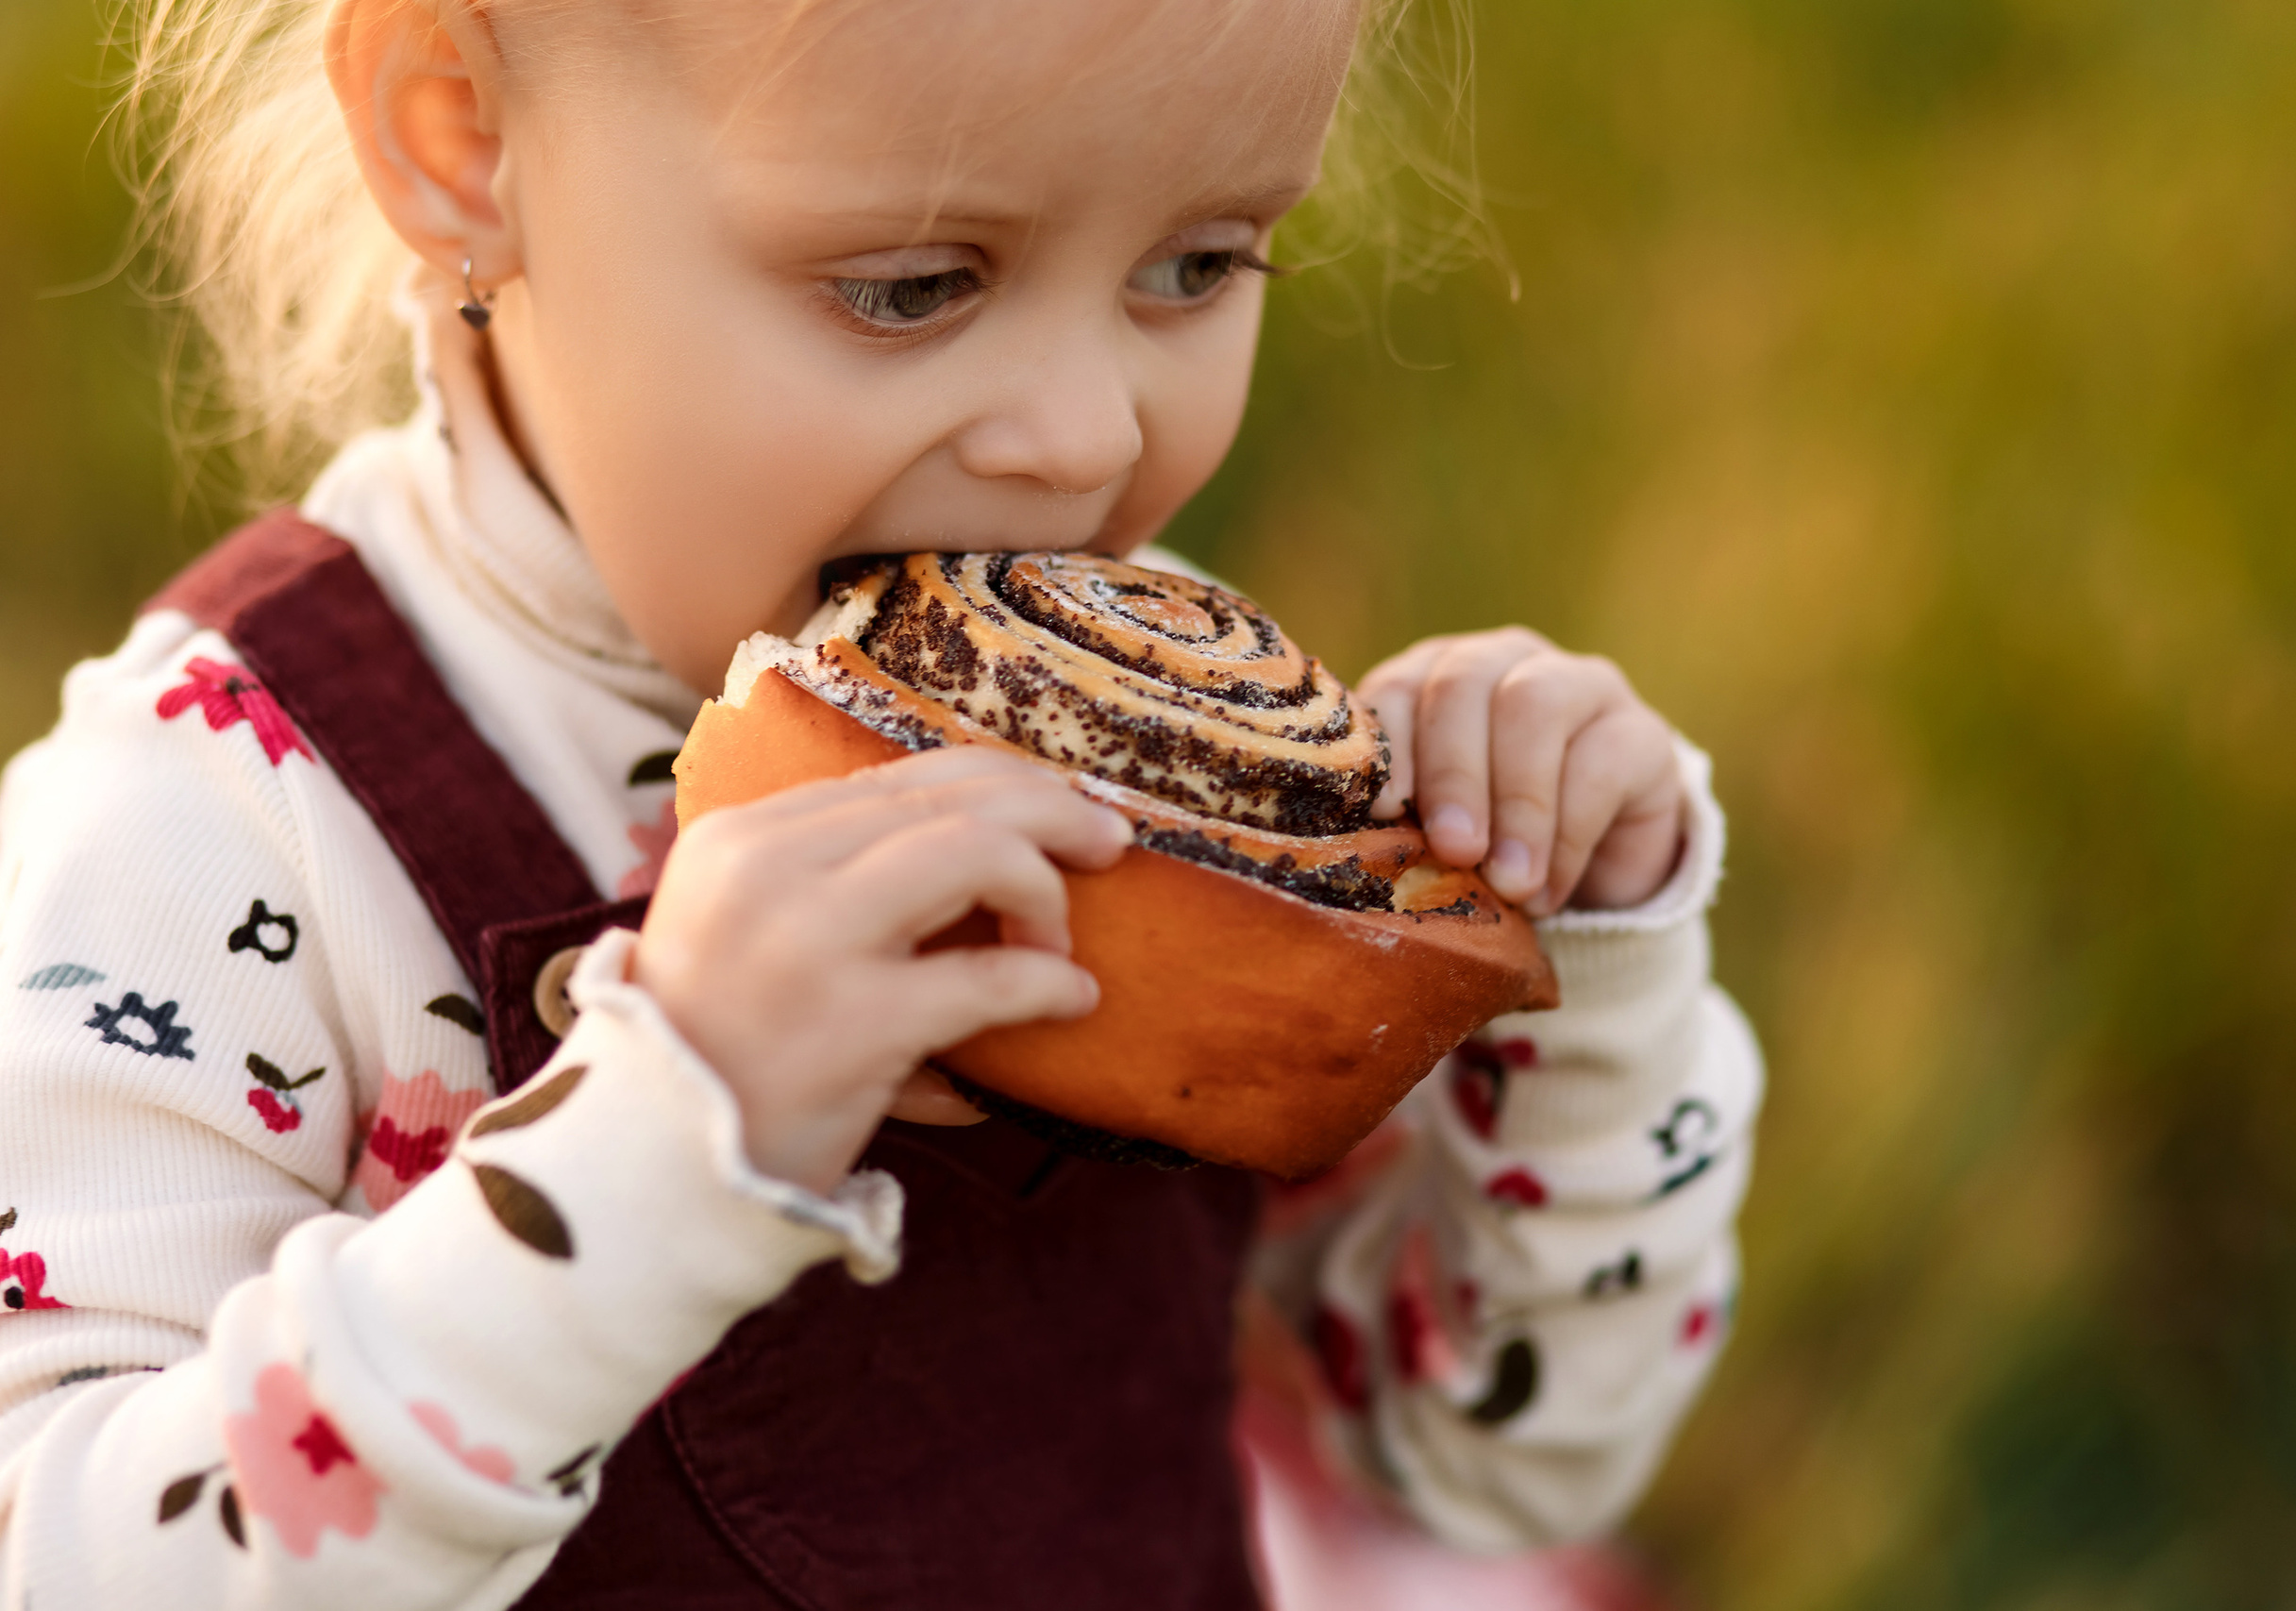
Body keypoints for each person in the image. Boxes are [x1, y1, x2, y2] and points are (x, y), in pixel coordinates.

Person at [0, 0, 1764, 1604]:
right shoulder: (232, 828)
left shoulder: (1147, 735)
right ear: (460, 135)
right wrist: (653, 1156)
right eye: (913, 286)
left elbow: (1490, 1455)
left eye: (1199, 262)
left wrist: (1587, 965)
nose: (1080, 439)